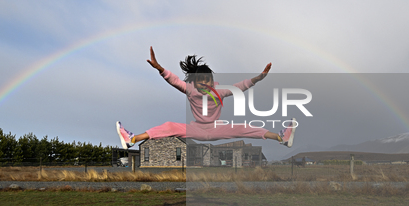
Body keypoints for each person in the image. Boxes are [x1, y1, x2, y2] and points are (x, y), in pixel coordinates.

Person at [116, 47, 296, 149]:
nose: (204, 84)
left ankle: (281, 138)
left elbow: (240, 86)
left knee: (245, 128)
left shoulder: (221, 91)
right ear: (195, 82)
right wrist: (160, 69)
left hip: (217, 128)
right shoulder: (190, 90)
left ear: (212, 81)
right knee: (169, 126)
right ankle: (132, 139)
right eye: (200, 81)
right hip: (196, 129)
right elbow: (174, 81)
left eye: (207, 81)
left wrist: (258, 78)